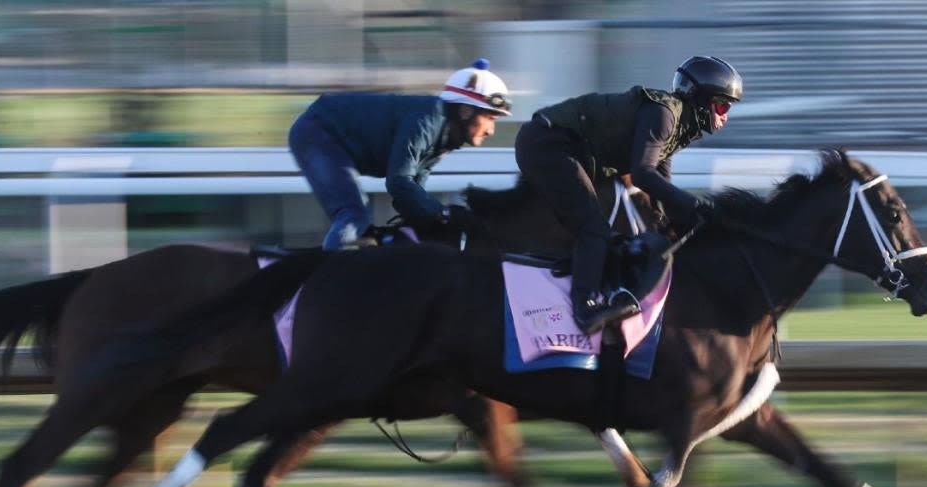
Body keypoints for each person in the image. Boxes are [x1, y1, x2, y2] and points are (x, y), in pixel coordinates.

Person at [514, 55, 743, 334]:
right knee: (594, 229)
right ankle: (584, 311)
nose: (725, 116)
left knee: (614, 235)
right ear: (701, 99)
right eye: (721, 106)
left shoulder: (679, 126)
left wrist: (668, 223)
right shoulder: (664, 115)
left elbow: (659, 181)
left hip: (568, 149)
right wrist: (696, 205)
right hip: (548, 143)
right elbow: (642, 173)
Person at [289, 59, 512, 250]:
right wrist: (444, 215)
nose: (491, 130)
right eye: (490, 118)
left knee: (370, 229)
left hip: (330, 134)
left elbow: (412, 196)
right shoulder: (428, 120)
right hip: (317, 132)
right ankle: (329, 278)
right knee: (353, 213)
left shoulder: (445, 137)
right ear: (465, 111)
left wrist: (438, 220)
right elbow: (398, 182)